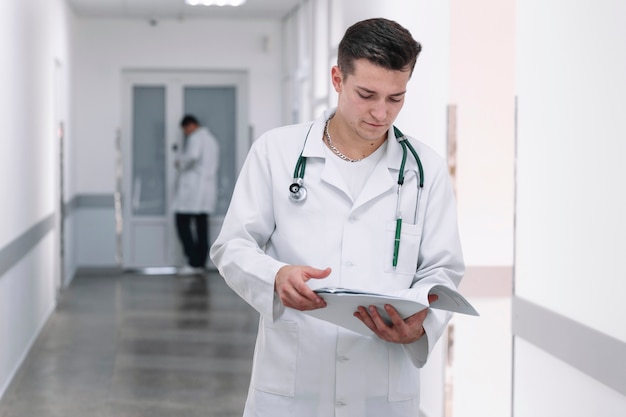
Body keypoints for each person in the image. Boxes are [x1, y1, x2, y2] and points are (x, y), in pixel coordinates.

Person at [210, 17, 464, 416]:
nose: (381, 113)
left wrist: (423, 325)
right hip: (293, 386)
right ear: (337, 79)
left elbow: (443, 270)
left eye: (396, 98)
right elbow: (232, 245)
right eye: (366, 94)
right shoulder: (276, 152)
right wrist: (274, 276)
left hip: (382, 388)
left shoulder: (425, 170)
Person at [173, 114, 220, 276]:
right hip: (205, 189)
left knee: (182, 222)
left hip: (193, 189)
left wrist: (179, 162)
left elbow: (192, 156)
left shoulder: (195, 138)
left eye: (185, 130)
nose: (186, 133)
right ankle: (199, 263)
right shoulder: (212, 140)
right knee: (201, 226)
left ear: (191, 125)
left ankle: (193, 262)